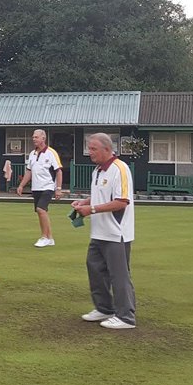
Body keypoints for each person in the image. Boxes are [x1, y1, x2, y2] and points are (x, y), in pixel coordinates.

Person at [72, 133, 137, 330]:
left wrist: (90, 210)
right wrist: (85, 202)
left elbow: (121, 202)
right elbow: (100, 196)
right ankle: (104, 308)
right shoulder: (98, 171)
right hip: (98, 232)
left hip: (117, 233)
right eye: (89, 148)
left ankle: (126, 316)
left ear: (107, 149)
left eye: (93, 149)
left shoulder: (120, 169)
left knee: (119, 275)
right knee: (95, 270)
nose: (89, 152)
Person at [17, 129, 64, 247]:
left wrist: (58, 188)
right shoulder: (32, 154)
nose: (34, 139)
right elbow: (29, 171)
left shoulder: (51, 153)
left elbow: (58, 171)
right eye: (33, 137)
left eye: (36, 137)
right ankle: (50, 238)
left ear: (43, 138)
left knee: (41, 209)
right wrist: (21, 185)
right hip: (36, 187)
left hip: (48, 186)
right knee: (41, 212)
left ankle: (44, 237)